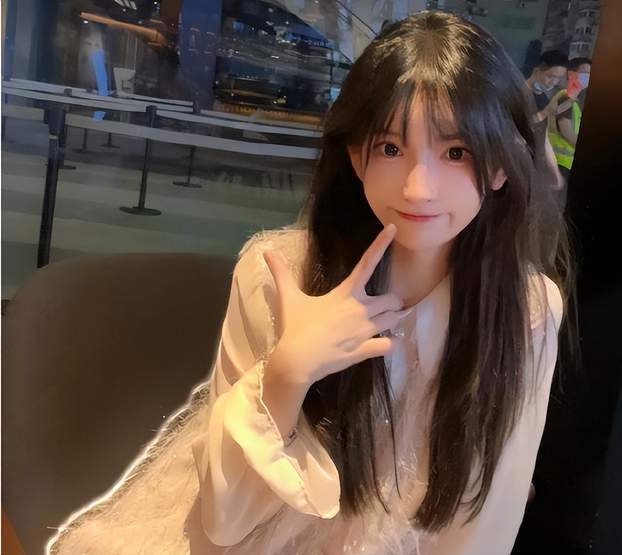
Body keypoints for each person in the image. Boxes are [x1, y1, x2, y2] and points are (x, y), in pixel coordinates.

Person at [48, 10, 569, 554]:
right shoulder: (277, 274)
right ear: (356, 157)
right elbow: (225, 524)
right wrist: (289, 372)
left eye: (456, 152)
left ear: (501, 166)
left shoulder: (529, 309)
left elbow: (485, 523)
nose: (419, 189)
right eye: (391, 148)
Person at [547, 57, 592, 205]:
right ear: (571, 74)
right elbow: (566, 131)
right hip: (561, 163)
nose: (588, 77)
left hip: (563, 163)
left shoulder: (572, 99)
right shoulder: (566, 98)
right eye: (585, 72)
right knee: (557, 206)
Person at [525, 50, 568, 124]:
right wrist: (545, 112)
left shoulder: (544, 99)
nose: (554, 82)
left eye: (558, 78)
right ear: (537, 70)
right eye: (550, 76)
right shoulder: (517, 92)